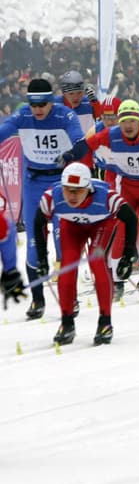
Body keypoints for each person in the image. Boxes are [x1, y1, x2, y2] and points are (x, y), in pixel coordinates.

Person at [0, 78, 88, 319]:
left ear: (51, 102)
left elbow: (82, 144)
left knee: (64, 242)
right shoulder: (23, 116)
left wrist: (70, 154)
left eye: (42, 104)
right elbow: (3, 132)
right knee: (33, 244)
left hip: (61, 183)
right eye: (33, 104)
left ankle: (71, 298)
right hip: (33, 184)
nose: (37, 110)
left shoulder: (64, 116)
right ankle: (38, 301)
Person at [33, 162, 138, 346]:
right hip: (71, 227)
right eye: (68, 190)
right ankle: (67, 322)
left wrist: (128, 254)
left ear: (88, 188)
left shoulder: (106, 197)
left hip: (101, 226)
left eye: (77, 191)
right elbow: (38, 223)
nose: (72, 196)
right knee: (67, 267)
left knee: (97, 263)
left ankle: (105, 322)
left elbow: (130, 218)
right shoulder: (52, 197)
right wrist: (42, 257)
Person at [82, 99, 139, 302]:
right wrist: (75, 161)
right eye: (123, 120)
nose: (128, 125)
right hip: (123, 184)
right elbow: (85, 146)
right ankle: (117, 282)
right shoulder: (108, 133)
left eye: (132, 120)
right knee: (120, 231)